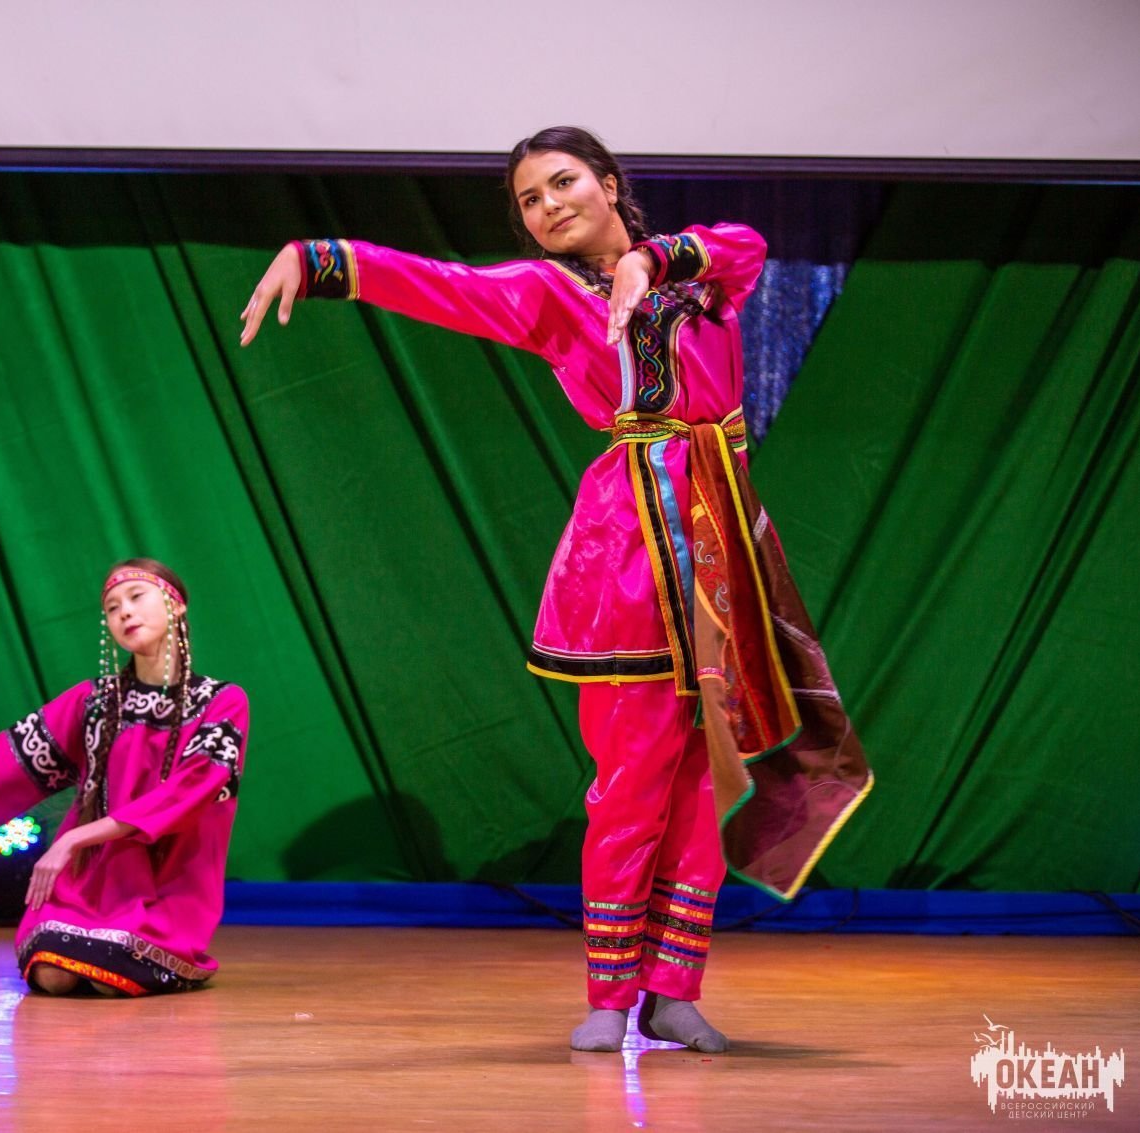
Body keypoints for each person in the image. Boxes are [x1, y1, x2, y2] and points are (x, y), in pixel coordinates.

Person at [239, 126, 872, 1053]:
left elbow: (746, 243)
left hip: (719, 545)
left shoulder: (701, 277)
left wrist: (649, 261)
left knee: (703, 781)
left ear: (609, 184)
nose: (548, 206)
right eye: (530, 200)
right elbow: (440, 285)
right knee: (632, 784)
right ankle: (610, 993)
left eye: (563, 182)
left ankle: (674, 989)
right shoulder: (547, 293)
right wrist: (320, 259)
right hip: (628, 556)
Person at [0, 559, 248, 997]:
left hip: (168, 889)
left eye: (135, 597)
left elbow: (188, 793)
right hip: (88, 881)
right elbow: (1, 771)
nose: (124, 612)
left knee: (105, 975)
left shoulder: (221, 702)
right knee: (53, 973)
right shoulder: (93, 701)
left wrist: (73, 839)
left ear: (176, 605)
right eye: (112, 607)